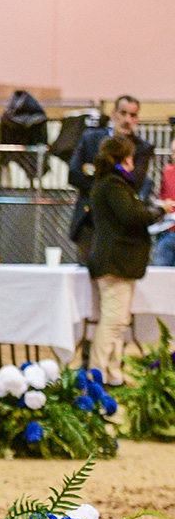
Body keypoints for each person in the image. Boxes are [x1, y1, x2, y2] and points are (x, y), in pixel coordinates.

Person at [87, 135, 175, 385]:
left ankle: (113, 375)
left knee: (119, 321)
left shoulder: (111, 183)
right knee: (113, 322)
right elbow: (131, 216)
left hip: (118, 262)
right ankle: (95, 376)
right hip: (115, 262)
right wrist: (160, 211)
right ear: (125, 157)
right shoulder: (114, 184)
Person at [68, 95, 156, 264]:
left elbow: (134, 182)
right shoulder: (91, 139)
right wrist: (105, 191)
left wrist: (102, 182)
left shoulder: (142, 148)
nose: (127, 120)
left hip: (121, 225)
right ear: (113, 114)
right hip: (90, 220)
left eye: (133, 115)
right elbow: (74, 174)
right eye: (123, 113)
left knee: (115, 279)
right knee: (85, 279)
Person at [151, 154, 175, 267]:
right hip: (167, 229)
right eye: (173, 152)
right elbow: (154, 195)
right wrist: (163, 204)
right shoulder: (166, 171)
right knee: (161, 271)